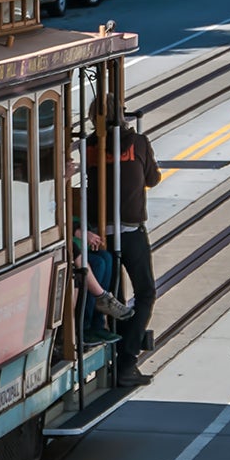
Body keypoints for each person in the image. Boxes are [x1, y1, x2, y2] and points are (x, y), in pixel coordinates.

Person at [87, 109, 161, 387]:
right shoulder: (139, 142)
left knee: (113, 298)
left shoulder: (90, 146)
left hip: (100, 233)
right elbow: (152, 179)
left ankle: (118, 351)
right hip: (130, 231)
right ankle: (127, 360)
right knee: (145, 293)